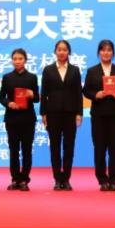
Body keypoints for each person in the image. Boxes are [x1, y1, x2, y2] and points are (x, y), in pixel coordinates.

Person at [82, 39, 115, 191]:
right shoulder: (92, 71)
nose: (106, 53)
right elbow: (86, 90)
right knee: (100, 148)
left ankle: (114, 180)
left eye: (109, 50)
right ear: (99, 53)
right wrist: (95, 95)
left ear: (113, 53)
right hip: (98, 115)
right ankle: (102, 180)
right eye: (103, 50)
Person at [40, 39, 83, 190]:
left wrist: (79, 113)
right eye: (59, 49)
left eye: (64, 49)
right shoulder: (48, 70)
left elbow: (78, 93)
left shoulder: (75, 70)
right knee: (55, 147)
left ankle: (67, 179)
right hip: (53, 113)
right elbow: (44, 92)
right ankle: (58, 179)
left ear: (68, 52)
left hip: (70, 113)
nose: (62, 52)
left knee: (69, 147)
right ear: (55, 52)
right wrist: (43, 113)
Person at [0, 47, 38, 190]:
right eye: (15, 59)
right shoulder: (7, 77)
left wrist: (32, 94)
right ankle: (15, 179)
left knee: (27, 150)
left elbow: (37, 98)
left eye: (20, 58)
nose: (17, 61)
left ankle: (24, 180)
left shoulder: (32, 77)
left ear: (25, 60)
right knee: (13, 150)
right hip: (12, 118)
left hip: (28, 119)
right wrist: (9, 103)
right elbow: (1, 97)